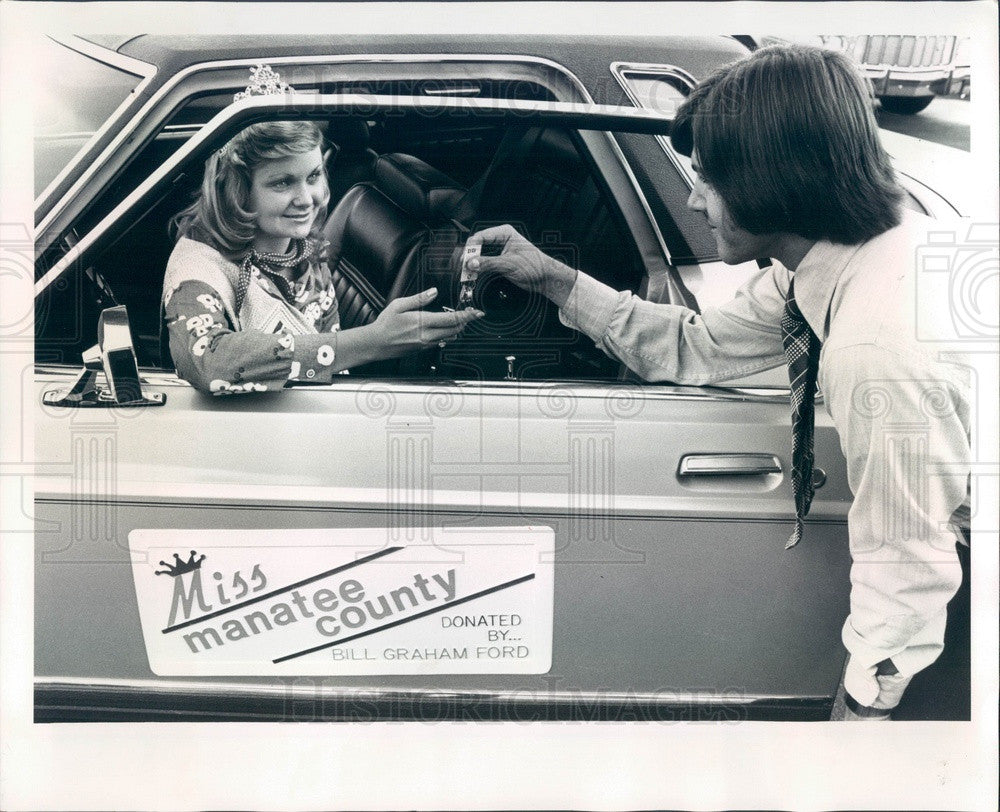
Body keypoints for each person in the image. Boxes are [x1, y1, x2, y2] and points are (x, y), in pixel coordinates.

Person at [465, 44, 971, 720]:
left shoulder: (880, 342)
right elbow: (696, 345)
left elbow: (907, 561)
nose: (695, 199)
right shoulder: (830, 257)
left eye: (707, 179)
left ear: (773, 181)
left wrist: (861, 713)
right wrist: (554, 276)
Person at [162, 117, 482, 395]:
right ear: (237, 189)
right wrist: (372, 341)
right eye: (283, 182)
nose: (306, 199)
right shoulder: (197, 264)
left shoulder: (304, 246)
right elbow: (208, 363)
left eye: (313, 176)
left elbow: (326, 349)